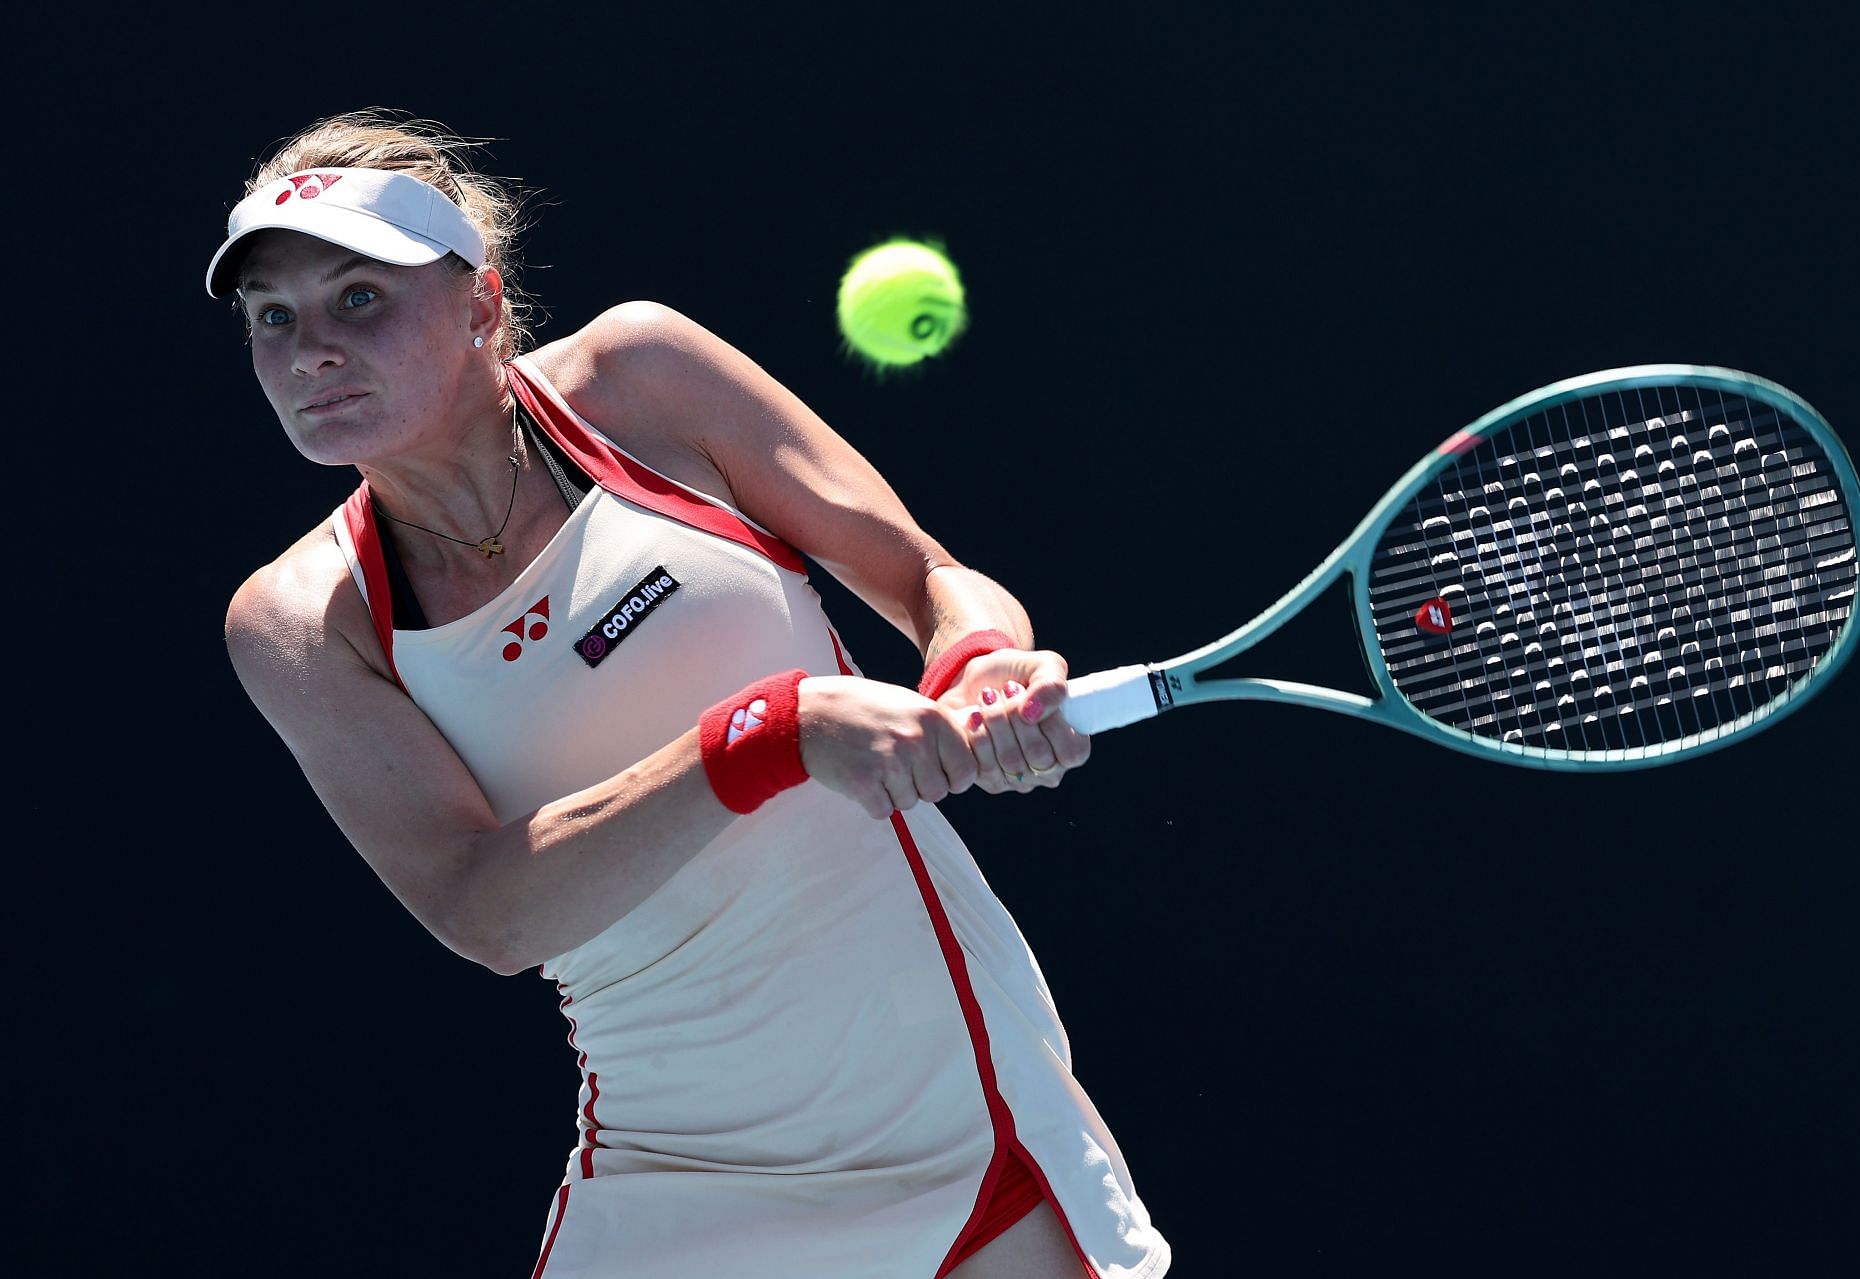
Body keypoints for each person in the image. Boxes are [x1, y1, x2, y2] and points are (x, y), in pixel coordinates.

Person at [212, 109, 1171, 1279]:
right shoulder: (301, 621)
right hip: (681, 1193)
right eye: (273, 318)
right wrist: (770, 736)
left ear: (478, 305)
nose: (309, 348)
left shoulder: (643, 380)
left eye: (358, 297)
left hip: (972, 1135)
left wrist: (978, 663)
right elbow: (485, 909)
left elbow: (930, 581)